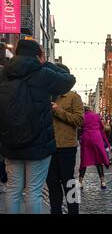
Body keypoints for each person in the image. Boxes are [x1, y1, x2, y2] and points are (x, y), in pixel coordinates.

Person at [0, 40, 75, 214]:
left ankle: (73, 209)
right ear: (38, 56)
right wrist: (45, 63)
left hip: (13, 141)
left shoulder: (5, 74)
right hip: (40, 142)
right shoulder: (43, 73)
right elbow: (69, 80)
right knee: (34, 190)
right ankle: (63, 209)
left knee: (13, 188)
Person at [46, 63, 84, 215]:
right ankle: (55, 211)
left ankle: (74, 211)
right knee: (52, 184)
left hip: (66, 147)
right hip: (48, 147)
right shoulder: (46, 95)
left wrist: (58, 110)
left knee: (70, 182)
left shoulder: (73, 97)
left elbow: (79, 120)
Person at [79, 107, 111, 190]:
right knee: (98, 160)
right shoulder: (96, 116)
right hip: (96, 137)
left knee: (84, 160)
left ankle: (80, 182)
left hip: (86, 138)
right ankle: (103, 182)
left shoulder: (82, 116)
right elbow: (101, 126)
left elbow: (81, 128)